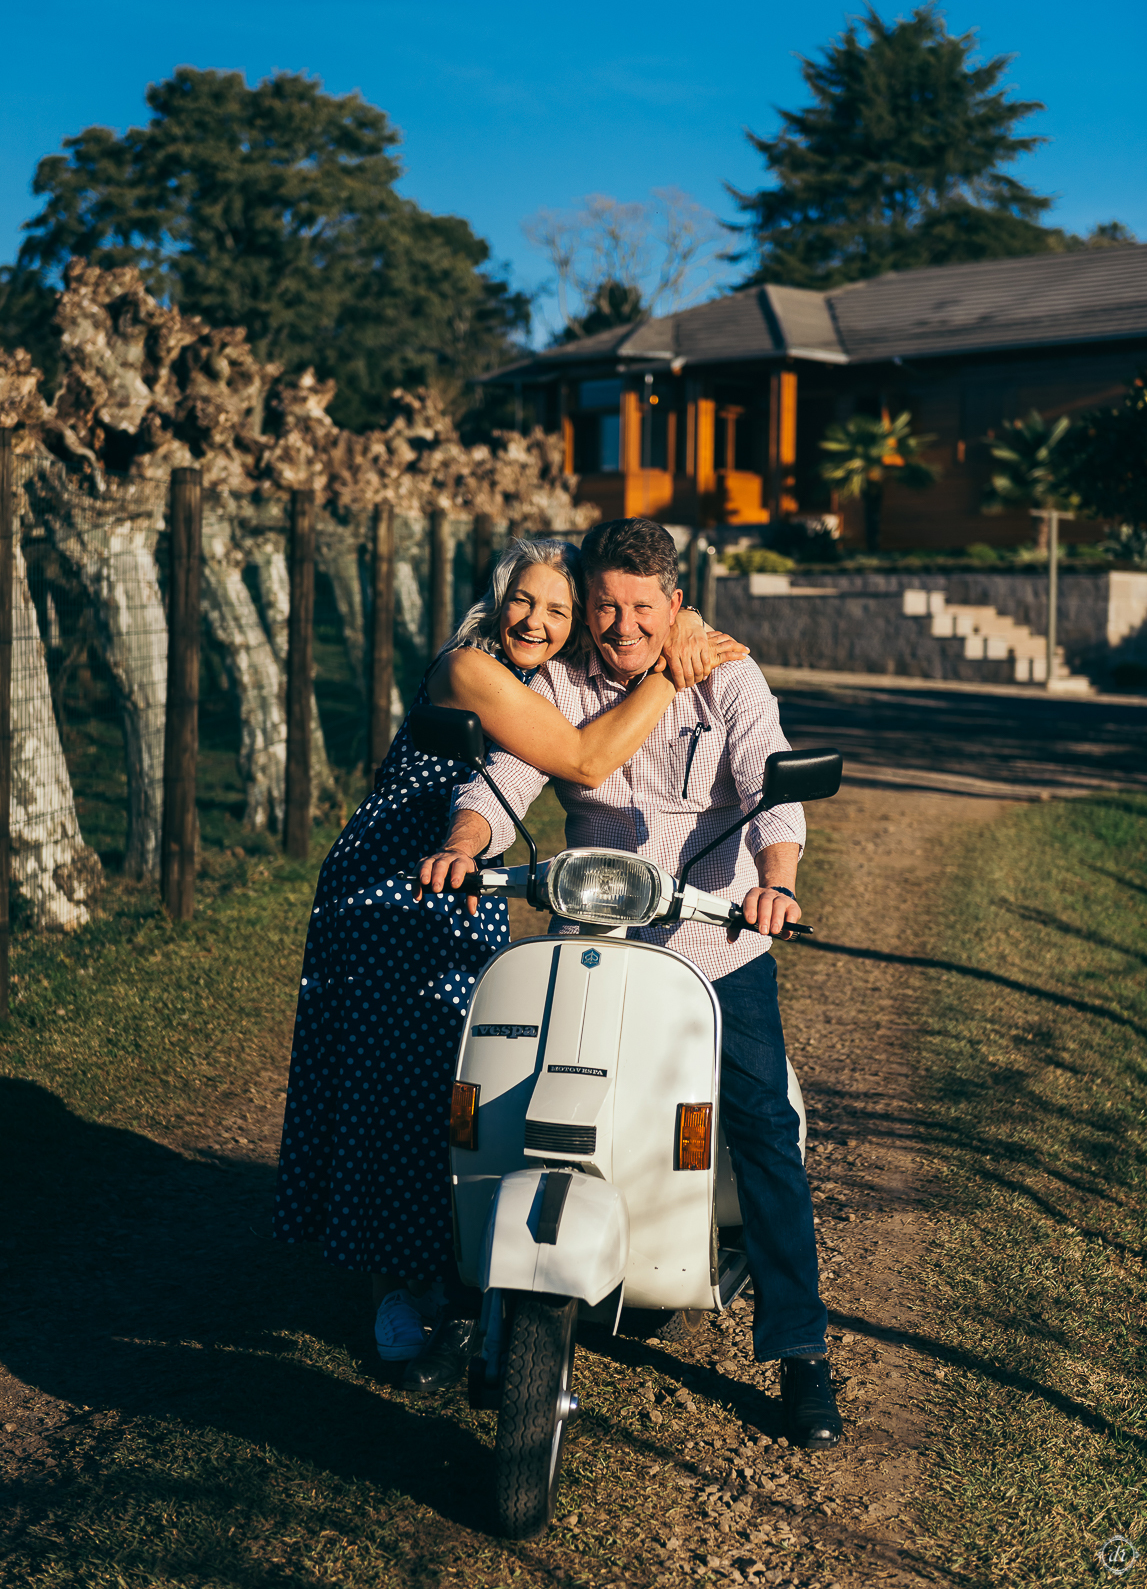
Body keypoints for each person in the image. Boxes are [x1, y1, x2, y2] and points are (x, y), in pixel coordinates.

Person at [272, 535, 745, 1394]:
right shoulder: (472, 668)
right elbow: (583, 759)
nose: (538, 620)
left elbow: (638, 631)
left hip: (473, 882)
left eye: (562, 611)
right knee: (395, 1079)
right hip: (399, 880)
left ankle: (466, 1274)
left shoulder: (554, 679)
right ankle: (394, 1287)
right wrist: (673, 671)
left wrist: (678, 627)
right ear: (496, 600)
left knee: (477, 1078)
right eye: (525, 600)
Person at [420, 518, 842, 1449]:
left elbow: (772, 785)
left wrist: (777, 883)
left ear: (674, 604)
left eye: (641, 608)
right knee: (506, 1092)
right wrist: (461, 843)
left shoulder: (726, 672)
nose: (619, 625)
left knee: (763, 1123)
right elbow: (502, 781)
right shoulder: (562, 680)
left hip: (719, 943)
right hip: (592, 938)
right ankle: (468, 1284)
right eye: (604, 605)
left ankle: (801, 1349)